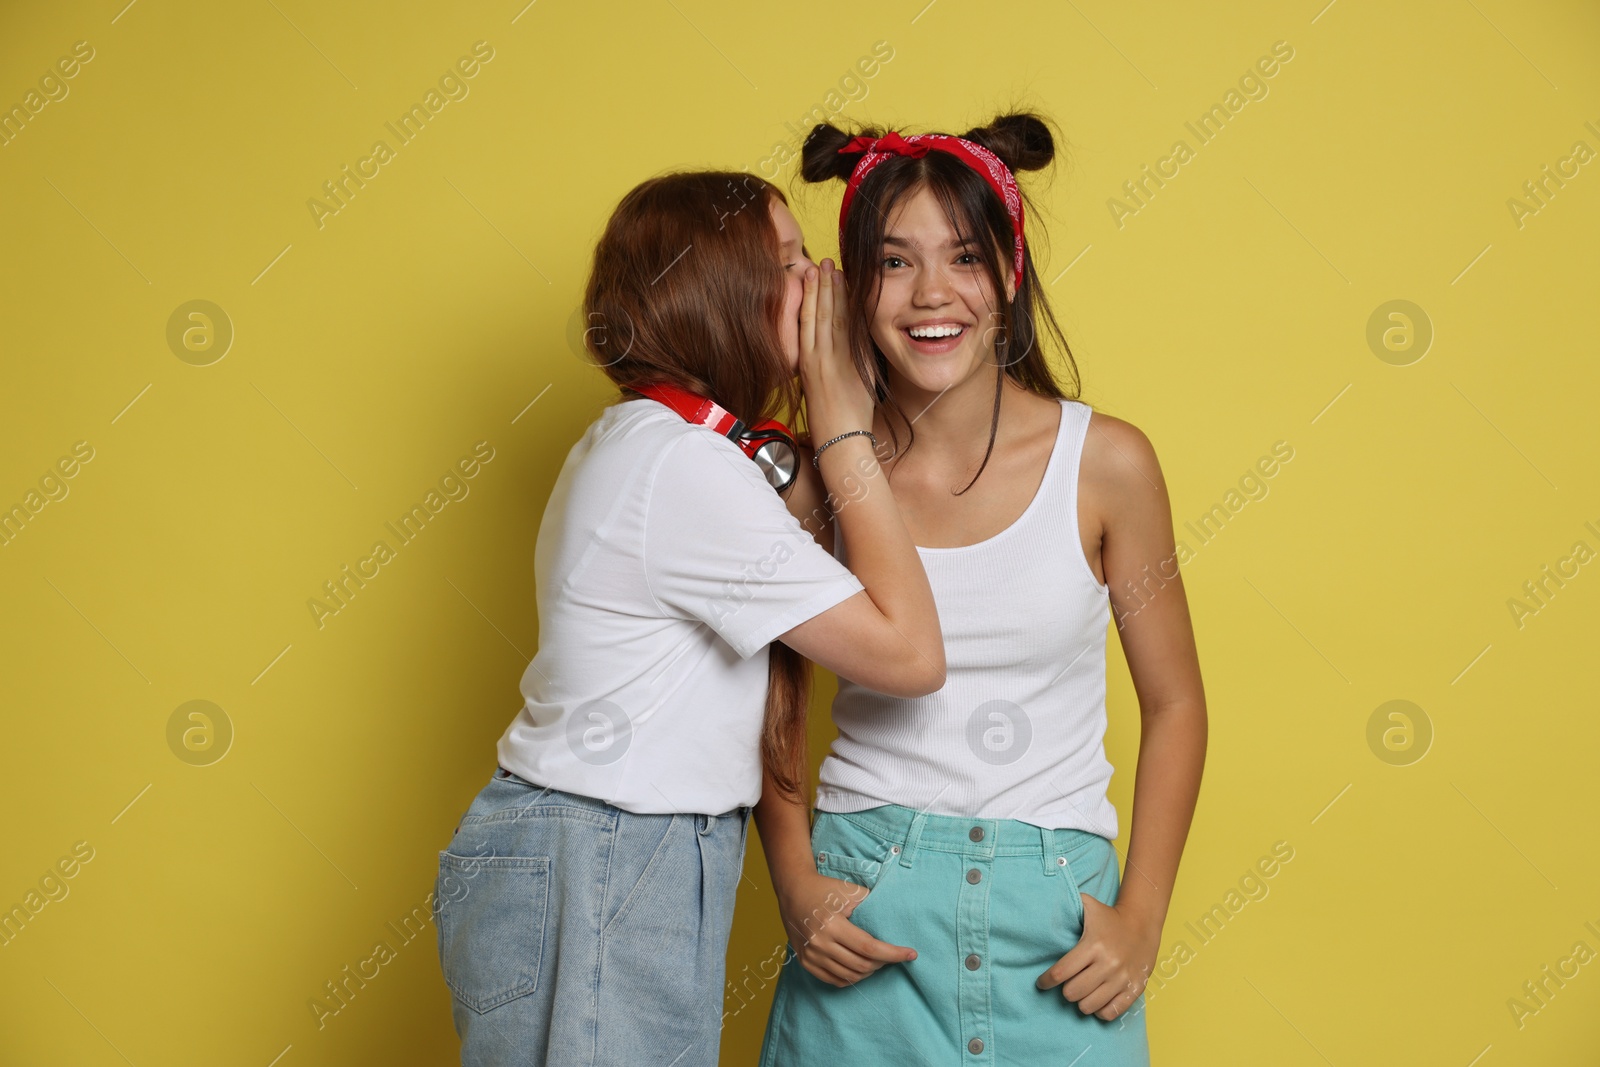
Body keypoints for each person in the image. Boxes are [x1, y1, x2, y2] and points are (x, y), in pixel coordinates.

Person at [434, 170, 945, 1067]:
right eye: (790, 264)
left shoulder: (652, 443)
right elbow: (907, 654)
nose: (822, 281)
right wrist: (842, 420)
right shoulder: (683, 469)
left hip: (610, 843)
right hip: (611, 847)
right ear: (727, 297)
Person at [755, 115, 1208, 1065]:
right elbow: (774, 690)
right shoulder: (814, 473)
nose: (932, 295)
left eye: (964, 257)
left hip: (1058, 921)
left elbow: (1174, 704)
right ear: (851, 287)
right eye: (893, 261)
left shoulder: (1108, 463)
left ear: (1009, 276)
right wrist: (795, 879)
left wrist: (1142, 920)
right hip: (867, 909)